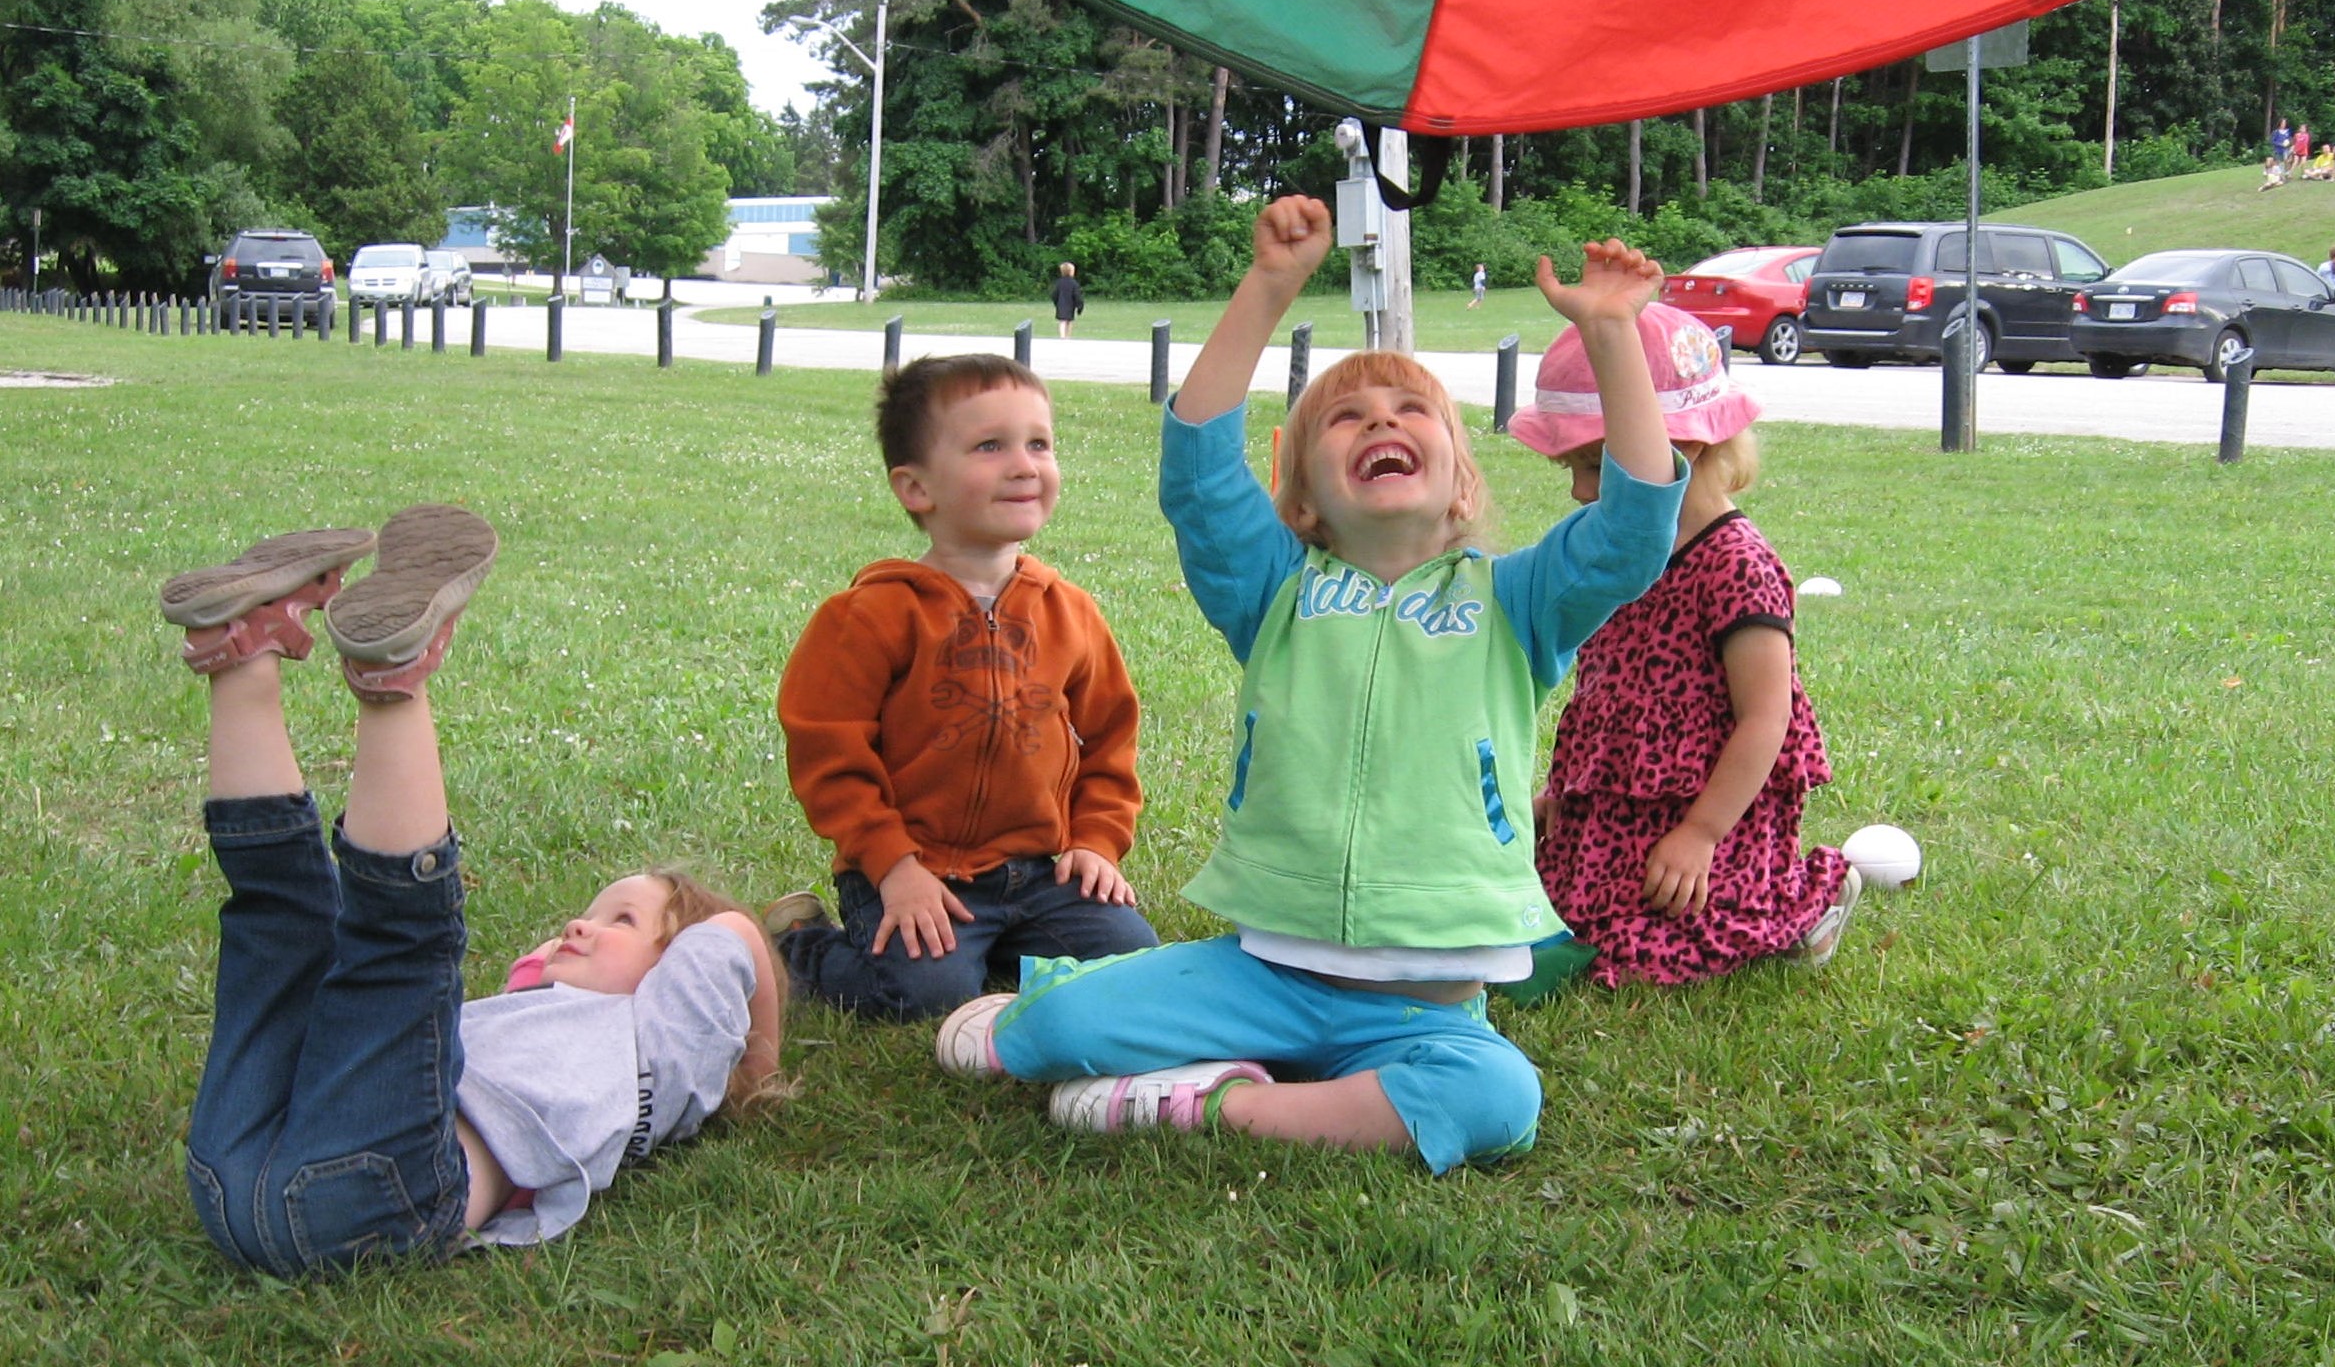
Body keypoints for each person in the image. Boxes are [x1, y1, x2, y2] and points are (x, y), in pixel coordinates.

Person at [928, 197, 1686, 1174]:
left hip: (1426, 1015)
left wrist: (1613, 336)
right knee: (1046, 1032)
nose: (1382, 418)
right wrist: (1270, 287)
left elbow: (1633, 530)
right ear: (1303, 501)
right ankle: (1082, 1018)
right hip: (1263, 976)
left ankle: (1219, 1103)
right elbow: (1199, 471)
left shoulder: (1517, 603)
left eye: (1413, 411)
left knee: (1500, 1098)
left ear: (1459, 483)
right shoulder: (1274, 591)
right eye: (1347, 416)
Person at [166, 507, 785, 1277]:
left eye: (622, 919)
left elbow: (732, 938)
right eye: (591, 913)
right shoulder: (529, 1023)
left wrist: (756, 1062)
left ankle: (392, 679)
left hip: (368, 1203)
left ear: (672, 973)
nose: (577, 925)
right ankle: (241, 649)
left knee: (398, 946)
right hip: (235, 1172)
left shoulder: (665, 1041)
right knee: (283, 929)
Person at [771, 353, 1158, 1020]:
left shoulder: (1070, 612)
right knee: (922, 995)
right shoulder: (867, 617)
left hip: (1043, 874)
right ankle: (797, 945)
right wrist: (894, 869)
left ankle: (1000, 947)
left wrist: (1096, 841)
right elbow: (828, 757)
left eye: (1039, 443)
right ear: (917, 488)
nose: (1023, 464)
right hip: (919, 871)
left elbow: (1111, 739)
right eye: (990, 446)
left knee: (1129, 965)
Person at [1499, 312, 1869, 996]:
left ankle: (1807, 896)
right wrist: (1563, 793)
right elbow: (1608, 696)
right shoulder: (1607, 556)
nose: (1580, 491)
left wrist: (1699, 834)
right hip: (1618, 803)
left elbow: (1767, 718)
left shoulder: (1737, 564)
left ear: (1680, 451)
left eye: (1591, 465)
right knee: (1557, 921)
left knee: (1646, 954)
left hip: (1709, 810)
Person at [1050, 262, 1084, 338]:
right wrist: (1079, 306)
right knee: (1069, 321)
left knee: (1062, 321)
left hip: (1061, 304)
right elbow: (1077, 296)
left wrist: (1056, 303)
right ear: (1072, 272)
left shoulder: (1059, 282)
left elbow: (1054, 294)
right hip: (1070, 305)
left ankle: (1062, 337)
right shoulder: (1074, 283)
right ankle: (1067, 337)